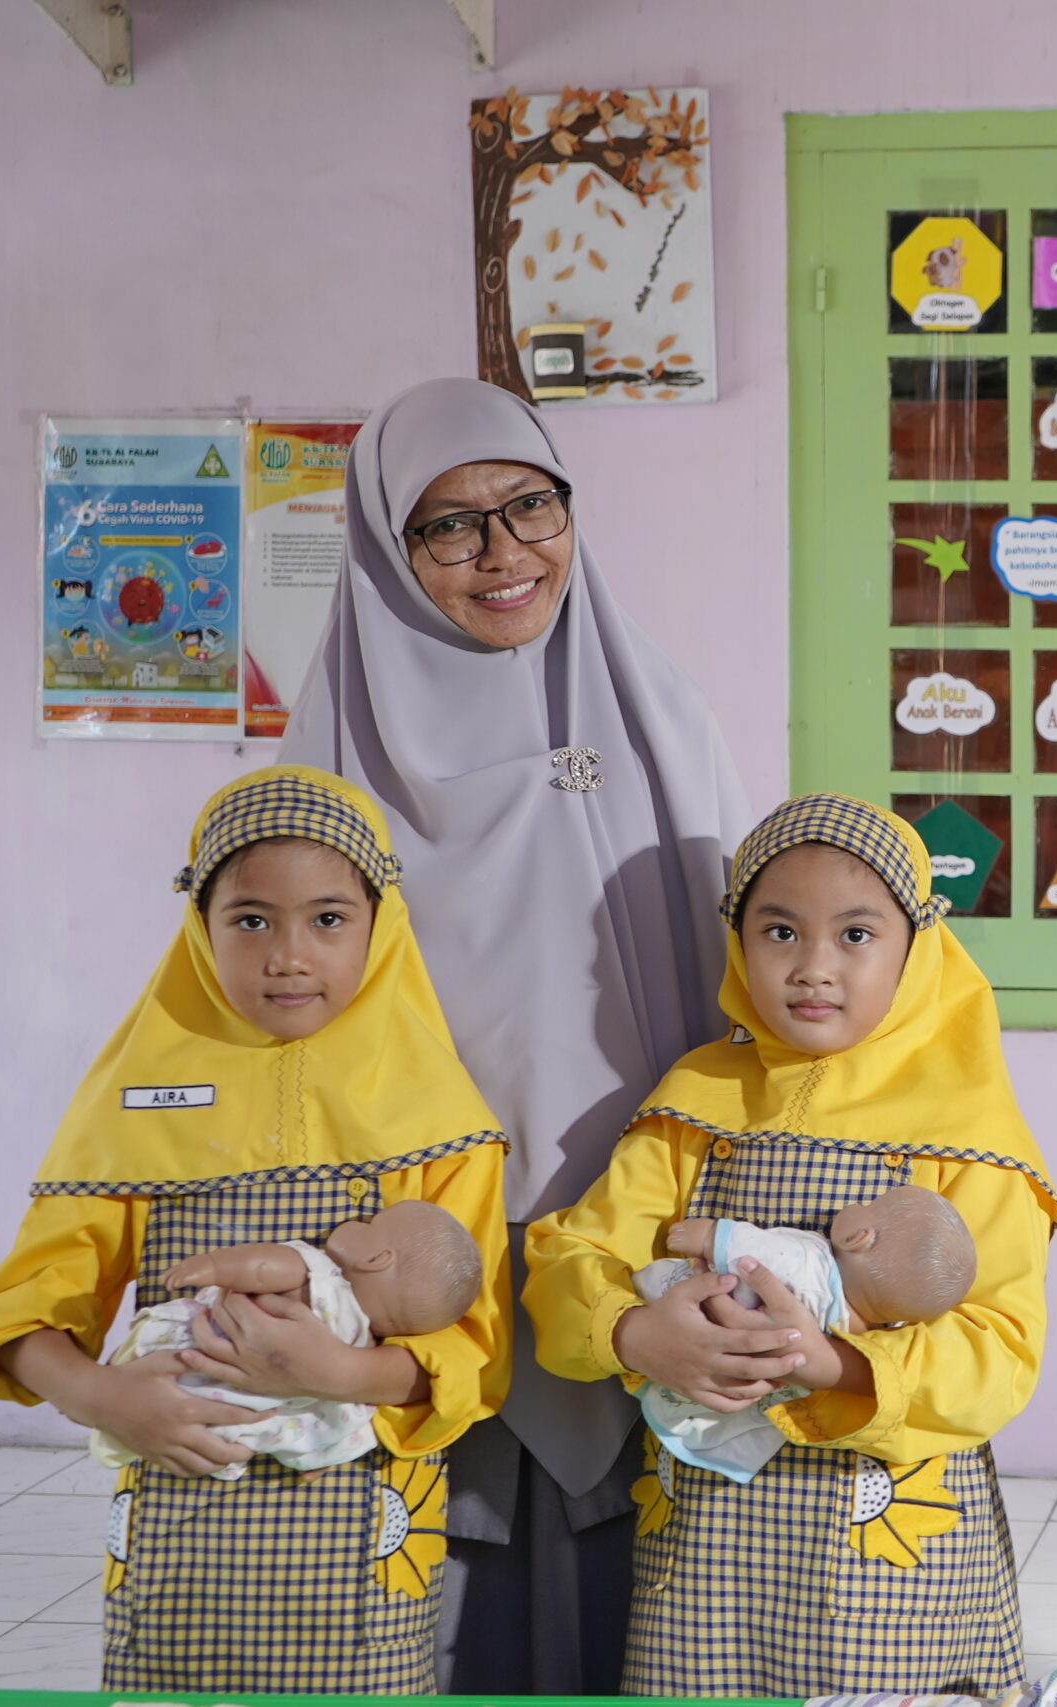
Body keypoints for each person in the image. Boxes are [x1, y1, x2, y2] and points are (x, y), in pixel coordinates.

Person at [280, 376, 750, 1693]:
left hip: (644, 1235)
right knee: (454, 1601)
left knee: (648, 1605)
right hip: (424, 1238)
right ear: (386, 548)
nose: (503, 553)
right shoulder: (325, 765)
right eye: (448, 525)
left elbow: (753, 975)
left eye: (530, 505)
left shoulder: (659, 715)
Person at [0, 766, 509, 1692]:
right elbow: (20, 1316)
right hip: (179, 1530)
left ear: (380, 925)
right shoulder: (130, 1108)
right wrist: (102, 1397)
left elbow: (473, 1357)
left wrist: (339, 1372)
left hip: (360, 1555)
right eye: (251, 918)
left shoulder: (445, 1126)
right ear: (198, 922)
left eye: (328, 918)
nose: (288, 955)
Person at [524, 793, 1057, 1697]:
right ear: (738, 938)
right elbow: (570, 1257)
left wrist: (834, 1363)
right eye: (780, 931)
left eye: (856, 935)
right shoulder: (696, 1100)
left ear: (917, 945)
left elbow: (1000, 1350)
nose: (813, 967)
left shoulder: (969, 1131)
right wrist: (633, 1332)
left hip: (889, 1543)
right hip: (710, 1539)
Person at [93, 1199, 483, 1479]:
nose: (360, 1220)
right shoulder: (362, 1344)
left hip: (203, 1348)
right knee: (335, 1419)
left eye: (371, 1223)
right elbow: (345, 1422)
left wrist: (210, 1266)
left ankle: (125, 1400)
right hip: (253, 1411)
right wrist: (321, 1452)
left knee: (170, 1349)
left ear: (376, 1257)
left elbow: (261, 1268)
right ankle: (236, 1443)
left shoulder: (321, 1277)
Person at [630, 1185, 978, 1484]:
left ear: (856, 1235)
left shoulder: (809, 1264)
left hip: (686, 1310)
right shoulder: (868, 1332)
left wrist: (709, 1236)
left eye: (871, 1206)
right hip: (742, 1390)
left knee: (655, 1283)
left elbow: (753, 1251)